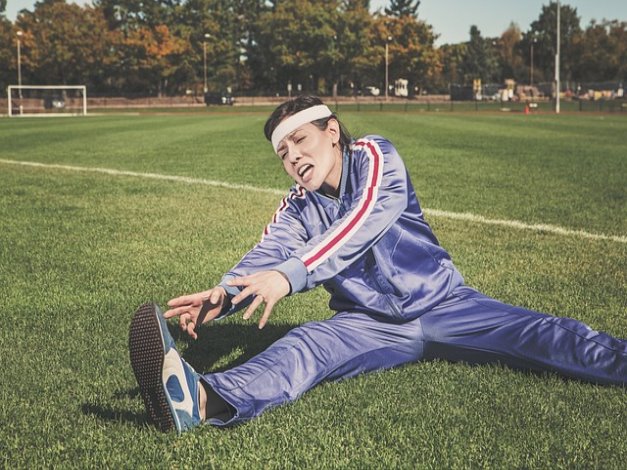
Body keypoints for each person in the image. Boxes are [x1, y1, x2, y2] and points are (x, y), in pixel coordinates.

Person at [128, 95, 626, 434]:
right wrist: (225, 296)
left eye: (301, 140)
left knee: (543, 335)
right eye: (283, 152)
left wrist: (291, 275)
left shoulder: (374, 155)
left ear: (333, 131)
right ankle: (200, 401)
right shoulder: (297, 206)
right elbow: (267, 255)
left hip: (445, 304)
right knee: (304, 344)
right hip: (368, 325)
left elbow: (365, 218)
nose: (294, 157)